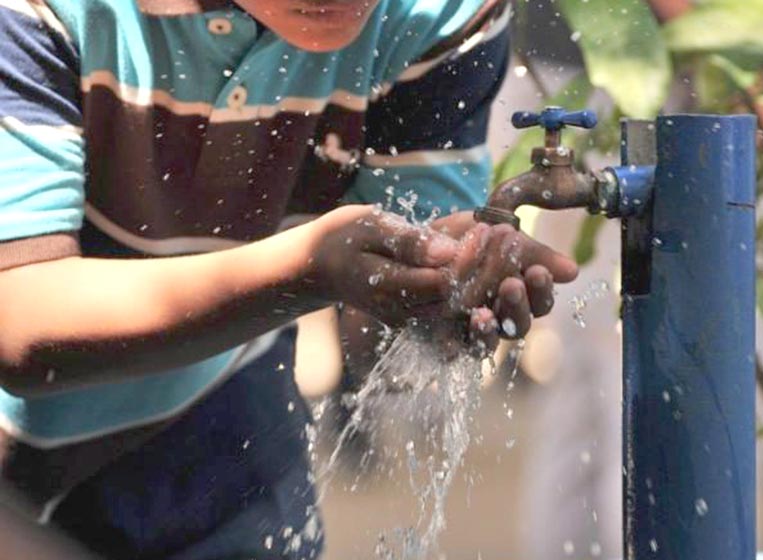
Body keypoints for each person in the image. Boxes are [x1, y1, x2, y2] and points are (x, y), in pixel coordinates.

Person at [0, 0, 578, 558]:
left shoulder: (436, 11)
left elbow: (379, 334)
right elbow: (17, 318)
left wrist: (442, 285)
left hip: (224, 423)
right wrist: (305, 271)